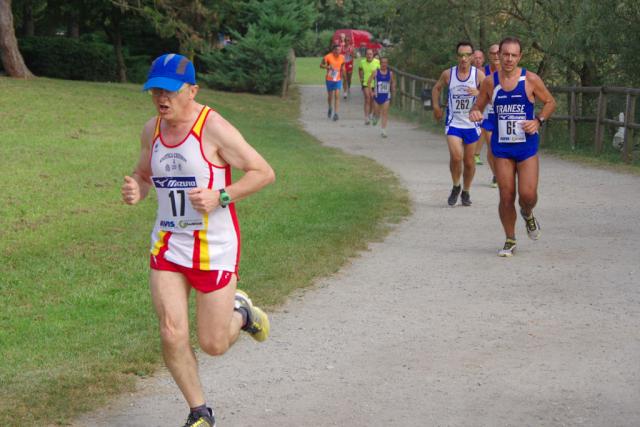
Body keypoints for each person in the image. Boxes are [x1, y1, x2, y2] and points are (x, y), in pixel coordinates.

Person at [121, 53, 276, 427]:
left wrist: (221, 196)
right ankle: (199, 412)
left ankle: (243, 313)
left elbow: (263, 172)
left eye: (170, 90)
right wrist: (137, 189)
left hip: (215, 247)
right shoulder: (151, 130)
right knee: (172, 332)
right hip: (169, 244)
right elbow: (144, 174)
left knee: (213, 343)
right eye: (155, 90)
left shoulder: (214, 127)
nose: (162, 98)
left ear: (192, 90)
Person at [469, 37, 556, 257]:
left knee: (528, 195)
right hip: (502, 147)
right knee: (506, 195)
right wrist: (475, 112)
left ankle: (527, 213)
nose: (508, 59)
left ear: (520, 57)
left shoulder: (530, 79)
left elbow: (550, 102)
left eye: (513, 55)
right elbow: (477, 106)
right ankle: (510, 239)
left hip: (526, 146)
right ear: (499, 55)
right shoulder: (490, 82)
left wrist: (538, 121)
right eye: (504, 54)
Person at [431, 41, 485, 207]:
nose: (464, 58)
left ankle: (466, 191)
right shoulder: (449, 74)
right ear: (457, 56)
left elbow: (491, 95)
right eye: (461, 55)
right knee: (456, 157)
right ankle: (456, 186)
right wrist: (436, 107)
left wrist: (479, 92)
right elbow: (436, 89)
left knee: (469, 162)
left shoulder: (479, 76)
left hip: (472, 124)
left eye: (467, 55)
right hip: (454, 122)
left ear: (472, 57)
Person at [480, 44, 501, 187]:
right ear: (489, 55)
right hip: (487, 114)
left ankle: (502, 173)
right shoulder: (482, 71)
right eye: (493, 53)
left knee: (502, 146)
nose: (496, 56)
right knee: (491, 146)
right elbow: (474, 88)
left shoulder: (509, 71)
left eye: (499, 53)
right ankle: (497, 175)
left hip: (503, 114)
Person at [367, 56, 395, 138]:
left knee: (385, 113)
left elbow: (392, 82)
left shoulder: (390, 73)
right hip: (377, 96)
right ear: (380, 63)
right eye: (382, 62)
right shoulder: (375, 72)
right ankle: (375, 117)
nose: (384, 64)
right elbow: (368, 82)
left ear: (387, 64)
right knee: (377, 112)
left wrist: (393, 89)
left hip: (386, 96)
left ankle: (383, 131)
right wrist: (371, 92)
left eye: (386, 63)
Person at [320, 43, 346, 121]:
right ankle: (330, 107)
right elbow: (321, 65)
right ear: (334, 50)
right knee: (330, 96)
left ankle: (336, 113)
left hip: (338, 79)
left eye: (340, 50)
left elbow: (342, 66)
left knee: (337, 96)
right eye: (337, 50)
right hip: (329, 79)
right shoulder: (327, 57)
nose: (339, 51)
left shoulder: (342, 57)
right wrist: (327, 67)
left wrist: (344, 75)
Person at [471, 49, 486, 166]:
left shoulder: (485, 72)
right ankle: (467, 152)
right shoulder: (465, 71)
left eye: (480, 58)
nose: (477, 60)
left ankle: (476, 154)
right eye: (475, 58)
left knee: (481, 129)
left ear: (483, 59)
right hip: (466, 105)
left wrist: (479, 93)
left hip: (481, 104)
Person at [358, 48, 380, 125]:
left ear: (373, 55)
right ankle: (366, 117)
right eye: (367, 54)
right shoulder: (362, 62)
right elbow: (360, 69)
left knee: (373, 100)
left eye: (370, 54)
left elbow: (381, 71)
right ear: (365, 55)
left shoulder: (377, 62)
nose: (369, 55)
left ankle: (371, 114)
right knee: (367, 98)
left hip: (375, 84)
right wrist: (361, 78)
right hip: (366, 83)